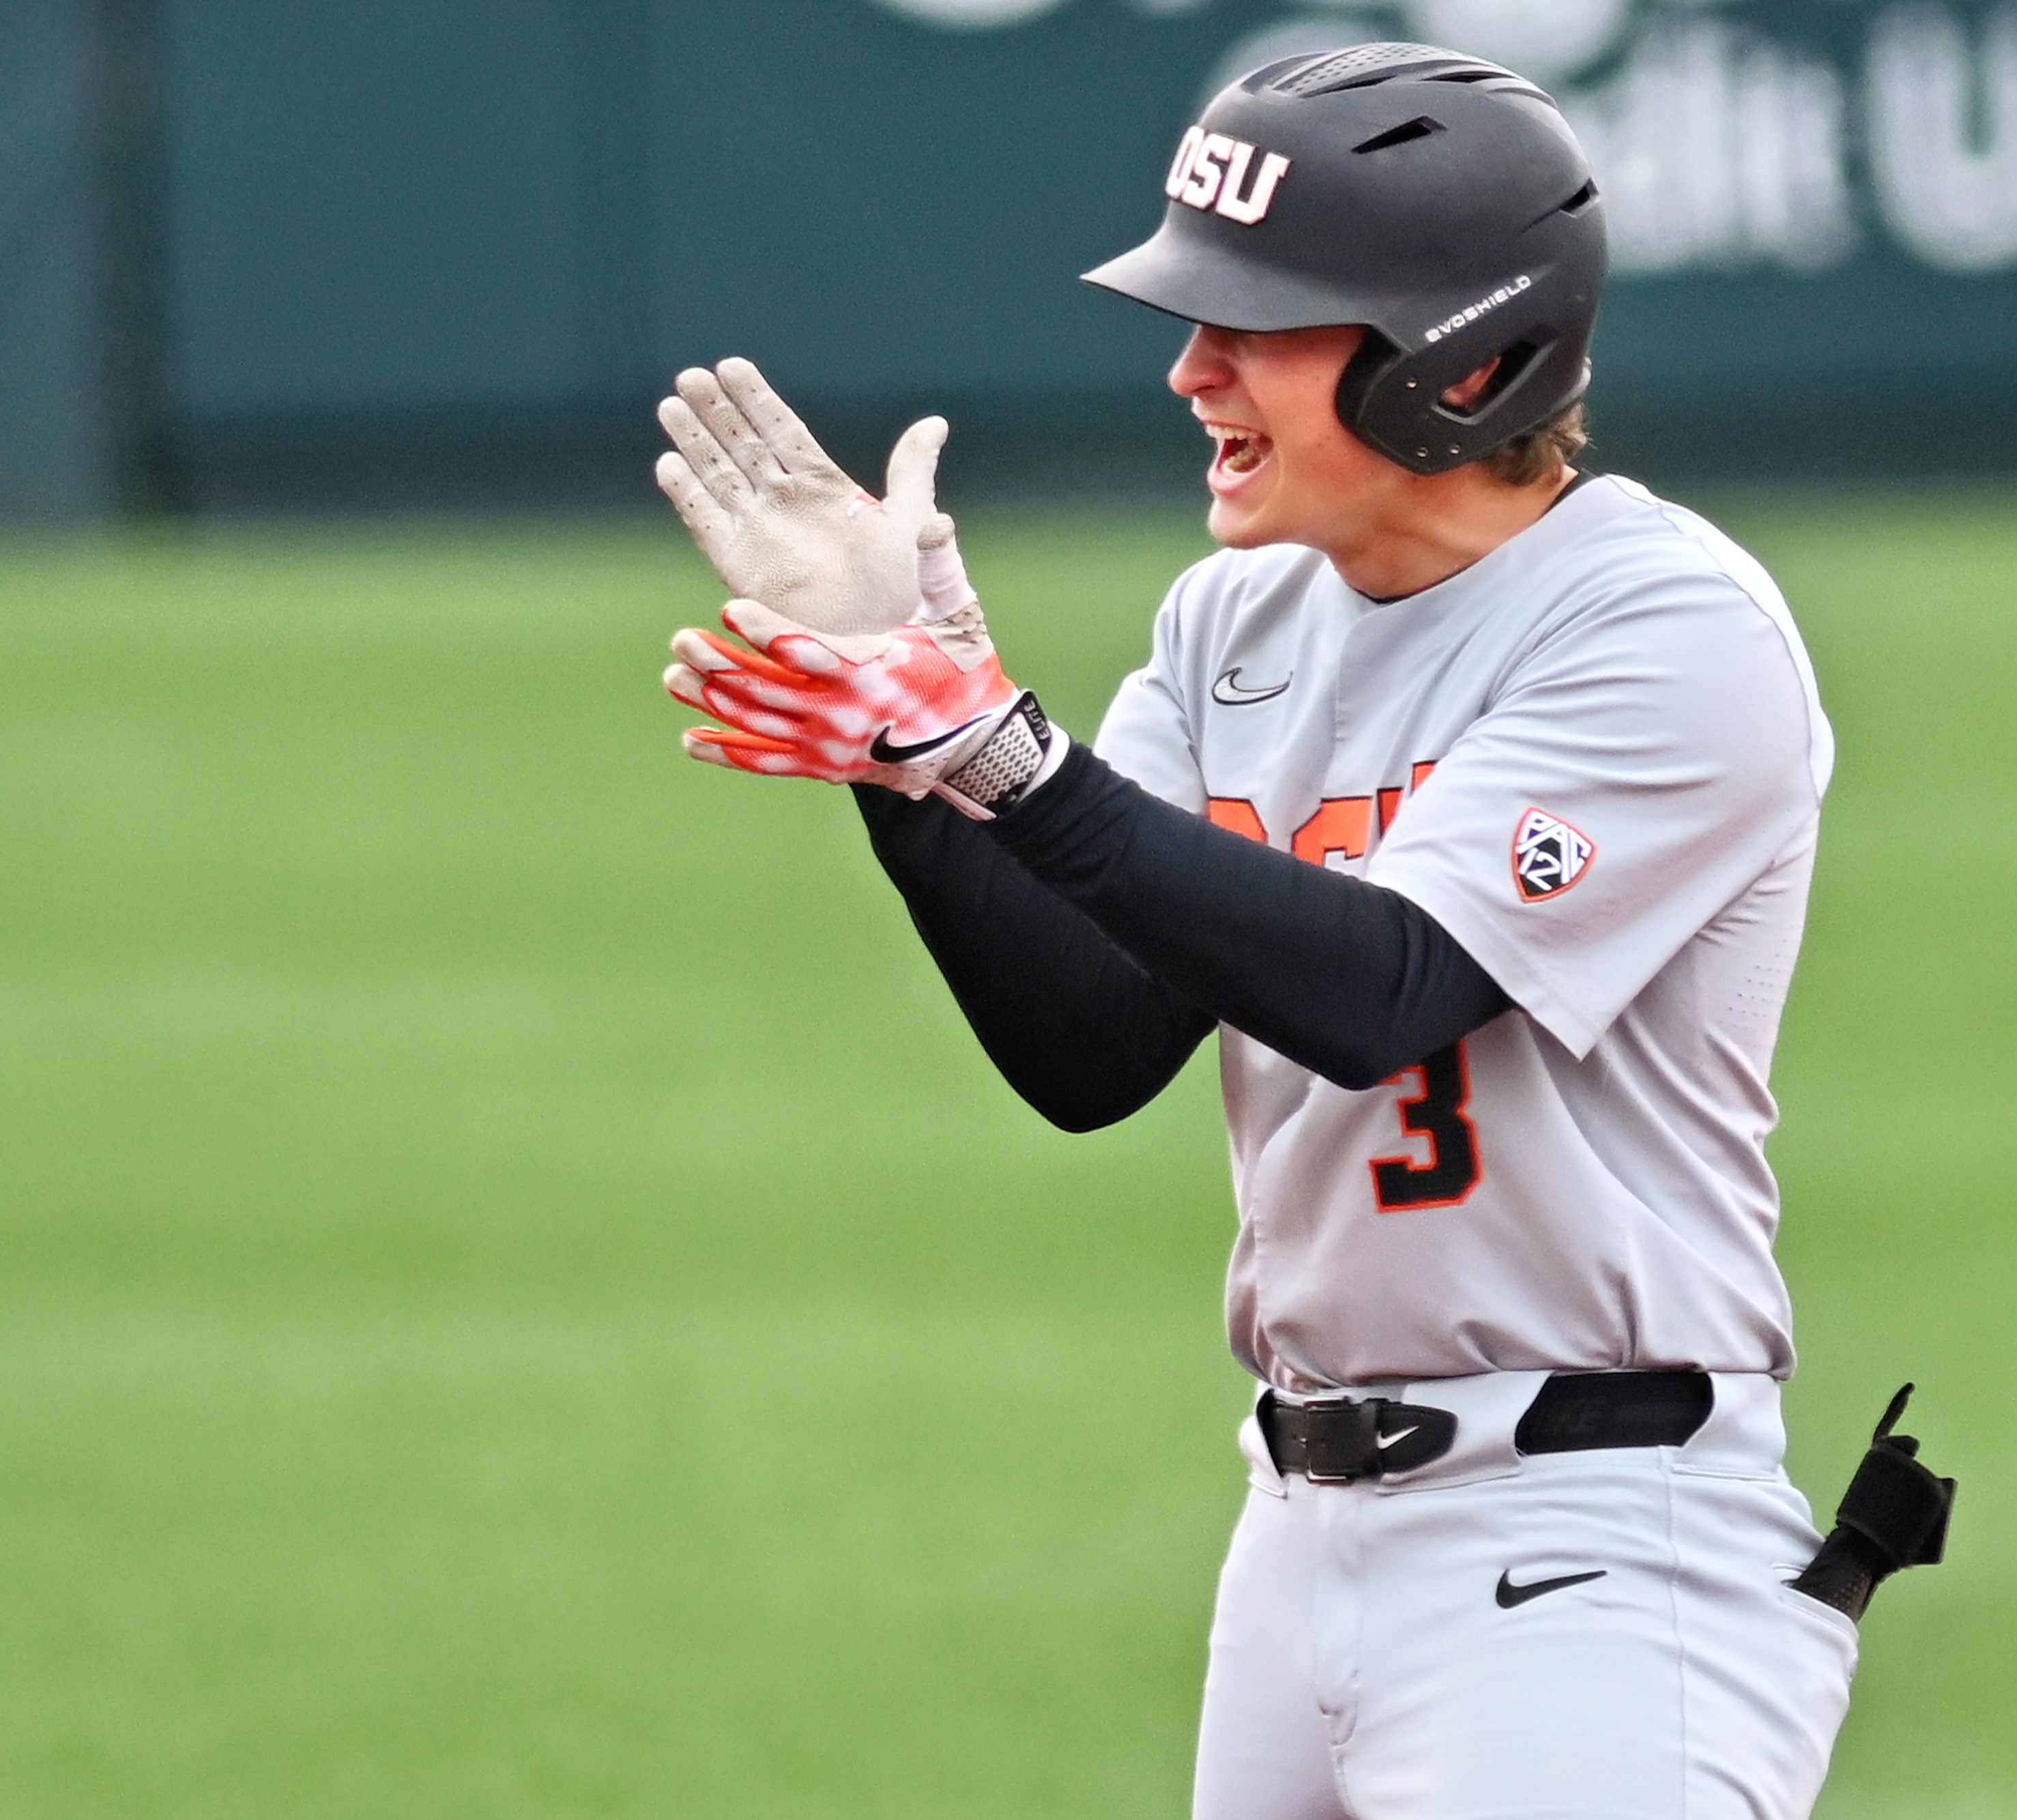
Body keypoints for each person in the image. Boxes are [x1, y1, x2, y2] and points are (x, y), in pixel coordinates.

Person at [656, 42, 1945, 1820]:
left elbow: (1385, 986)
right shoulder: (1233, 622)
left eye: (1254, 322)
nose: (1191, 371)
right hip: (1298, 1546)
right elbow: (1096, 1041)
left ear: (1460, 357)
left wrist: (1001, 750)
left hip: (1588, 1551)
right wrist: (902, 746)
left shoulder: (1665, 626)